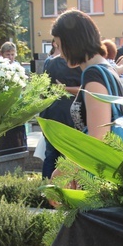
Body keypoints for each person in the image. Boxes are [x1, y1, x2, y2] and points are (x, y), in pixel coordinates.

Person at [51, 9, 123, 140]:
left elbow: (98, 139)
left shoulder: (93, 75)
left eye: (59, 45)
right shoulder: (107, 69)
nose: (60, 54)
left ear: (72, 42)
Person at [39, 45, 82, 177]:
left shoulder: (50, 62)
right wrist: (66, 88)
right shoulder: (78, 64)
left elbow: (43, 89)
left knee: (50, 154)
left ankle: (47, 190)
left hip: (50, 111)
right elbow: (84, 89)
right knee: (69, 155)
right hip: (70, 113)